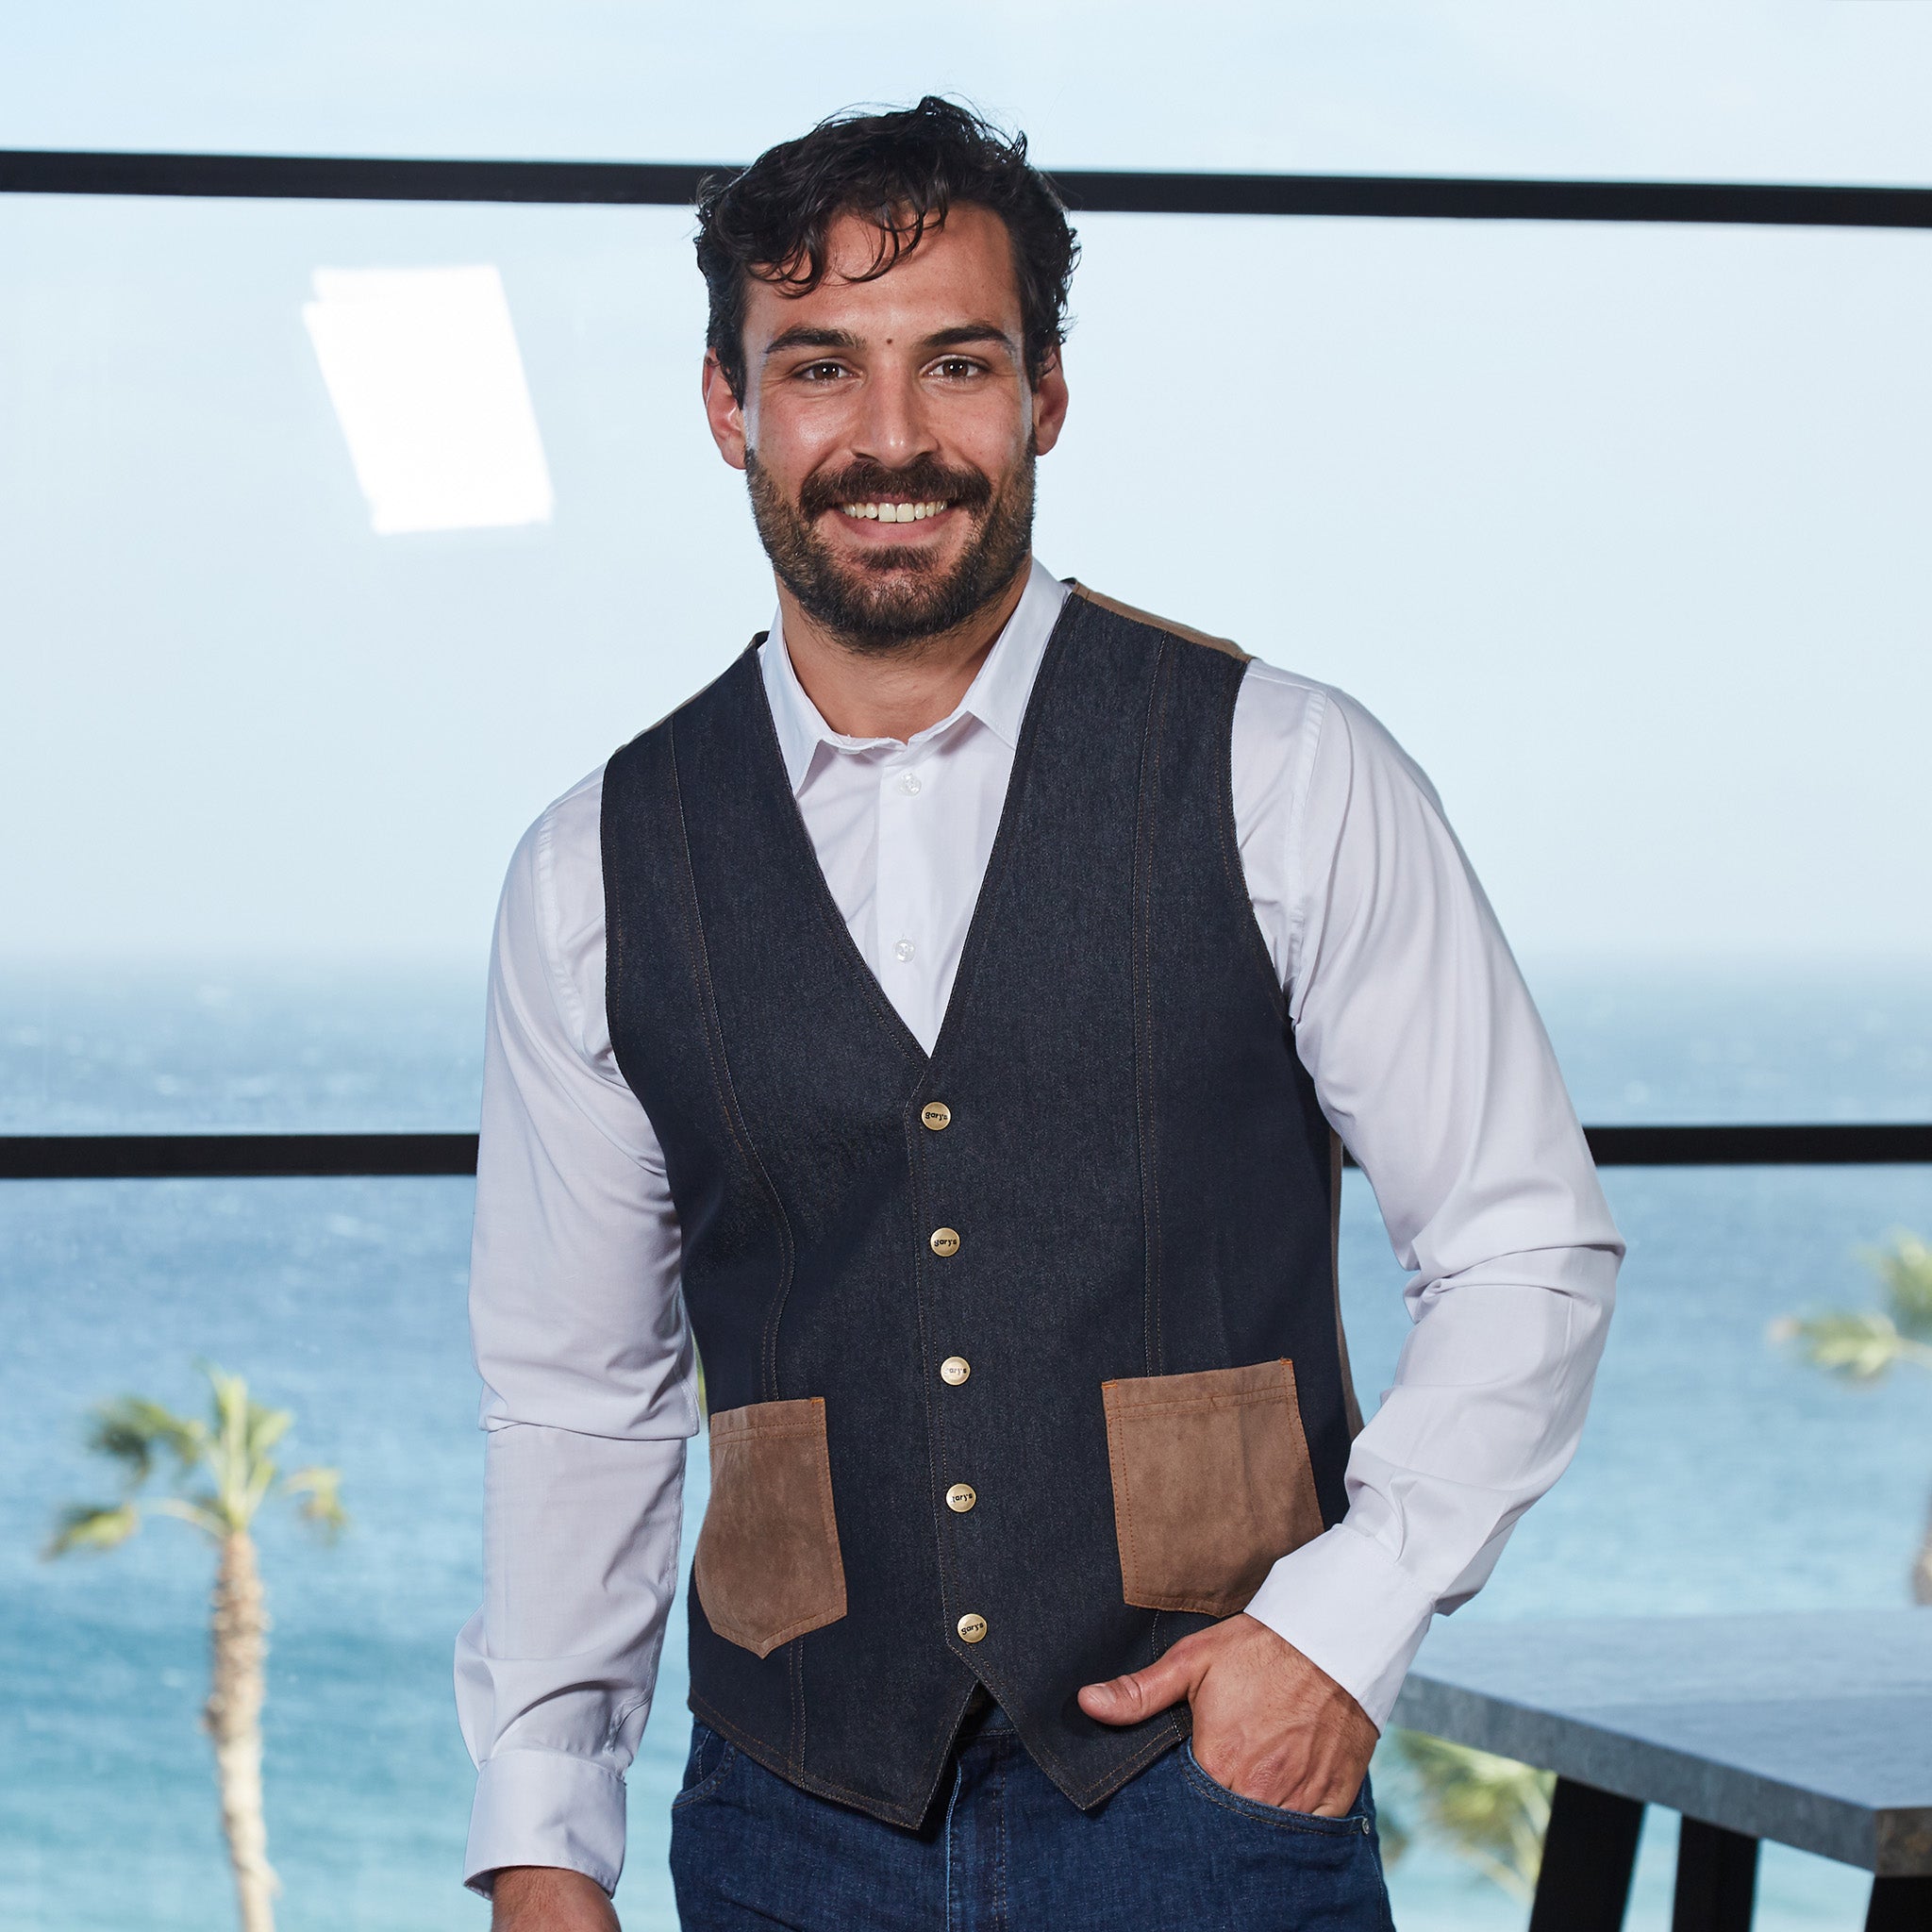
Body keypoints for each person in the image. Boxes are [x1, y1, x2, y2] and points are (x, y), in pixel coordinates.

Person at [456, 96, 1622, 1932]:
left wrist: (1337, 1632)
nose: (890, 437)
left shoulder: (1283, 768)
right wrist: (544, 1839)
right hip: (786, 1827)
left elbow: (1520, 1242)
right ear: (729, 407)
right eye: (820, 366)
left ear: (1045, 396)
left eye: (958, 363)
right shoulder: (594, 867)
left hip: (1205, 1804)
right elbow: (576, 1400)